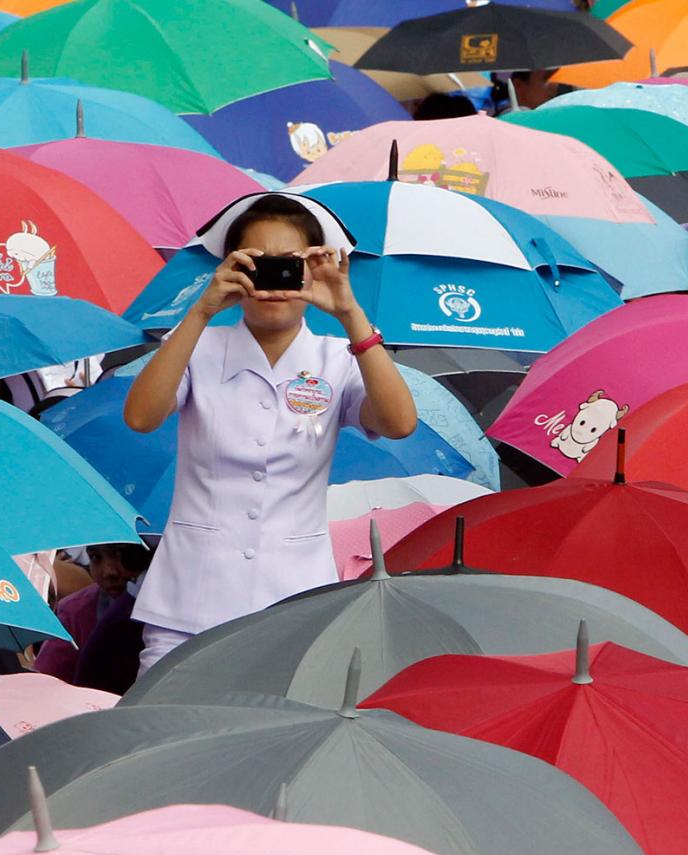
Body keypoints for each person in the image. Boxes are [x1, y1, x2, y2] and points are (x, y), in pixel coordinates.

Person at [123, 193, 417, 674]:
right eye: (259, 264)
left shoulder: (337, 356)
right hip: (189, 597)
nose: (274, 281)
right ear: (232, 267)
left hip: (295, 601)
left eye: (291, 265)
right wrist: (200, 312)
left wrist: (349, 312)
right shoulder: (198, 345)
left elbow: (400, 423)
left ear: (315, 269)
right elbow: (141, 417)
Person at [34, 543, 153, 683]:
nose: (109, 572)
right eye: (96, 558)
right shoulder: (75, 610)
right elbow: (46, 679)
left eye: (122, 556)